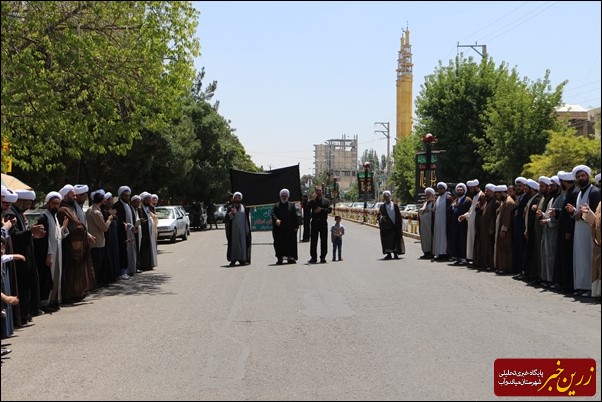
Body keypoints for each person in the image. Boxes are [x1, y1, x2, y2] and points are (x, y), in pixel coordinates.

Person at [271, 189, 299, 265]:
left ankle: (290, 258)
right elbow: (273, 214)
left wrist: (296, 226)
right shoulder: (276, 205)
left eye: (285, 196)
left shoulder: (291, 206)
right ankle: (280, 258)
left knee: (290, 243)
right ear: (280, 196)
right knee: (279, 244)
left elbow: (295, 217)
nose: (284, 197)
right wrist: (276, 220)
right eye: (283, 196)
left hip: (289, 229)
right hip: (279, 230)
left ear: (288, 196)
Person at [224, 192, 251, 267]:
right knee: (234, 245)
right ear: (234, 198)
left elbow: (246, 220)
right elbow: (226, 219)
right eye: (236, 197)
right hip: (234, 230)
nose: (237, 198)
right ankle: (233, 260)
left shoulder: (244, 207)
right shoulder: (230, 207)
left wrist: (247, 230)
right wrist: (231, 214)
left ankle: (242, 260)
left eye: (239, 197)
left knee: (243, 244)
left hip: (242, 230)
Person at [377, 190, 404, 260]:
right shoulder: (382, 207)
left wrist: (399, 226)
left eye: (387, 197)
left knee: (395, 240)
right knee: (387, 241)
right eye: (385, 197)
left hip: (395, 227)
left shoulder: (395, 206)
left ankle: (395, 253)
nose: (386, 198)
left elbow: (399, 216)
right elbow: (379, 215)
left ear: (390, 197)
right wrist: (382, 218)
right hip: (387, 228)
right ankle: (388, 254)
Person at [307, 187, 331, 264]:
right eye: (317, 191)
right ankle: (313, 257)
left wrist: (321, 210)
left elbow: (329, 210)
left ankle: (323, 257)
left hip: (323, 223)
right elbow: (307, 206)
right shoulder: (313, 200)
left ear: (322, 191)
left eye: (320, 190)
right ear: (315, 192)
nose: (318, 192)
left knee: (324, 240)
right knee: (314, 240)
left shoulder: (326, 201)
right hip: (314, 223)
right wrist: (312, 199)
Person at [418, 187, 435, 259]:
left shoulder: (434, 203)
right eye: (426, 195)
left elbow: (434, 211)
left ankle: (431, 252)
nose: (427, 196)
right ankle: (426, 252)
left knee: (430, 238)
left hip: (430, 224)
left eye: (429, 195)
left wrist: (428, 210)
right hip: (423, 225)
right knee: (424, 239)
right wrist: (424, 210)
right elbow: (419, 211)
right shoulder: (425, 203)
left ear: (432, 195)